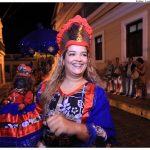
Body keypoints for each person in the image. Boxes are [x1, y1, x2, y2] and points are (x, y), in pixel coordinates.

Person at [37, 15, 116, 147]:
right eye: (72, 53)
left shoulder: (96, 94)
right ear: (63, 59)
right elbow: (37, 123)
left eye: (83, 54)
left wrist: (76, 128)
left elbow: (107, 137)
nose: (78, 59)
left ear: (88, 59)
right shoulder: (44, 88)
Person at [0, 64, 43, 147]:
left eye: (23, 79)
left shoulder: (28, 91)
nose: (21, 81)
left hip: (23, 110)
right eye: (20, 79)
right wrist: (7, 100)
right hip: (10, 110)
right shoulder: (13, 90)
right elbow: (11, 96)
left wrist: (24, 104)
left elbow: (28, 98)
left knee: (22, 128)